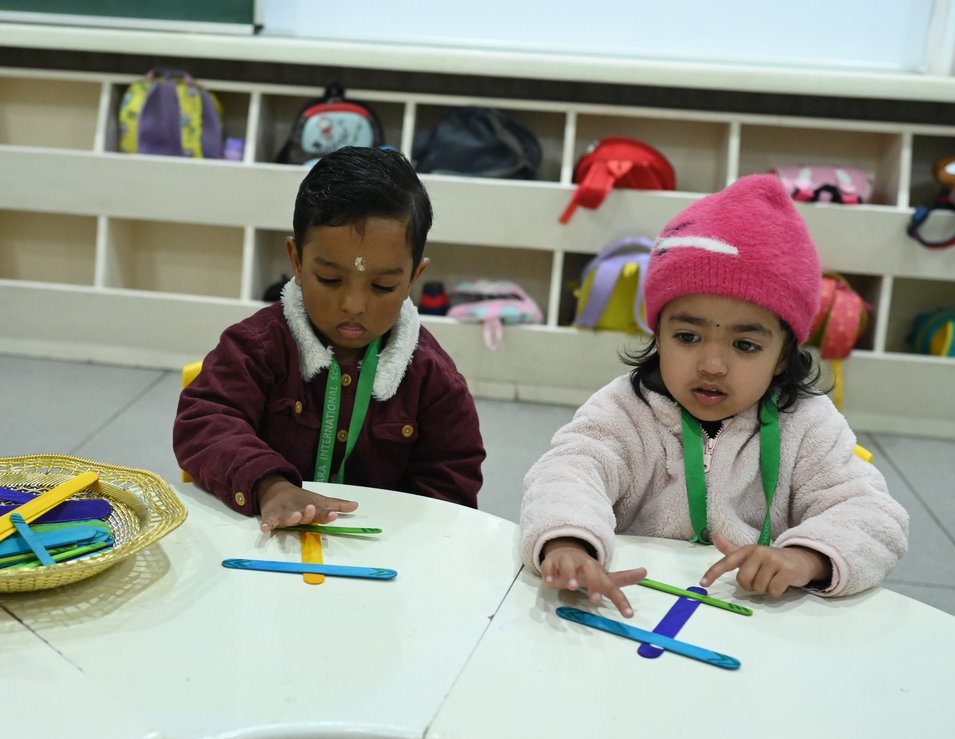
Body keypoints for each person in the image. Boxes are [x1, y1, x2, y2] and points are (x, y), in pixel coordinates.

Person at [520, 174, 908, 617]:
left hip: (758, 618)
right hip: (635, 605)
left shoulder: (808, 423)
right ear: (658, 335)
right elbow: (567, 472)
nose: (712, 365)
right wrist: (569, 543)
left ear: (783, 356)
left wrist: (806, 557)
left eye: (745, 345)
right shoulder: (626, 409)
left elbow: (873, 515)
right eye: (687, 336)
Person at [174, 146, 485, 532]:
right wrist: (269, 485)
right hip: (265, 538)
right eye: (330, 279)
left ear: (413, 278)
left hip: (379, 554)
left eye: (383, 286)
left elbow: (452, 482)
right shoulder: (256, 348)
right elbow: (204, 422)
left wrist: (409, 539)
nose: (353, 305)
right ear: (297, 260)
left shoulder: (433, 379)